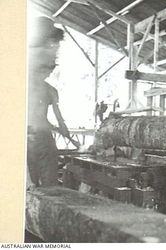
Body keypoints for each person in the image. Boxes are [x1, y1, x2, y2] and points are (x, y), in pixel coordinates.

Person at [27, 16, 78, 188]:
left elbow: (58, 121)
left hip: (40, 140)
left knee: (44, 185)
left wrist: (56, 128)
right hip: (34, 141)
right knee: (37, 186)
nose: (53, 60)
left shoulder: (49, 90)